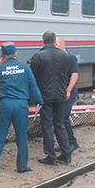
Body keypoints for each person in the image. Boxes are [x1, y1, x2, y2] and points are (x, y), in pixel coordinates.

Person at [0, 42, 44, 173]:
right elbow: (33, 85)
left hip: (5, 104)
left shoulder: (0, 68)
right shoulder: (24, 67)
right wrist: (39, 101)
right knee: (22, 136)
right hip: (21, 105)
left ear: (2, 55)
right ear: (15, 54)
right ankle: (22, 166)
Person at [29, 31, 72, 165]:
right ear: (54, 41)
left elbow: (33, 76)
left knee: (47, 125)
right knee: (59, 123)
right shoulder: (65, 55)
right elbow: (67, 73)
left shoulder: (39, 56)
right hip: (60, 94)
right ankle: (66, 154)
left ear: (43, 41)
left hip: (45, 96)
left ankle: (51, 156)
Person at [56, 37, 80, 151]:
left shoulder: (70, 58)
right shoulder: (58, 58)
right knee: (60, 118)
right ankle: (64, 144)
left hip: (68, 91)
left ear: (61, 45)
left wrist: (68, 90)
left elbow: (74, 75)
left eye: (55, 44)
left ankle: (72, 142)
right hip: (61, 90)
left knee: (64, 117)